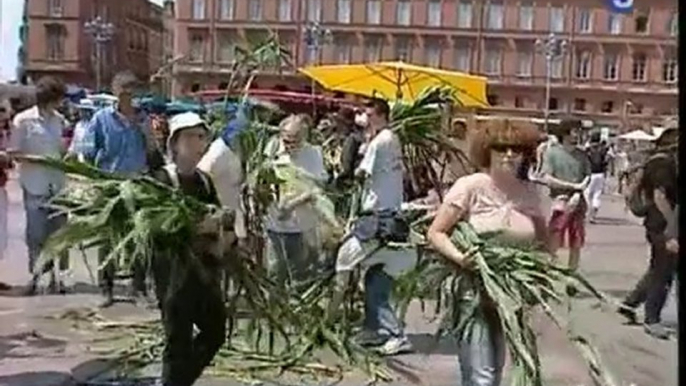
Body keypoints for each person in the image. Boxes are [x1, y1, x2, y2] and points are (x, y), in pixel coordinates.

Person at [427, 119, 549, 386]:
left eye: (515, 149)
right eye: (500, 148)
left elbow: (544, 243)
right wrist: (461, 258)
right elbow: (436, 232)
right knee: (481, 377)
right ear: (487, 150)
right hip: (472, 292)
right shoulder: (470, 186)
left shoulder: (529, 192)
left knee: (492, 373)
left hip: (510, 296)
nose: (508, 155)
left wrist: (541, 276)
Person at [151, 112, 228, 386]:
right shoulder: (162, 180)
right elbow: (154, 228)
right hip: (173, 274)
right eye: (192, 137)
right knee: (178, 341)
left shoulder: (204, 181)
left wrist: (222, 233)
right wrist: (196, 228)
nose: (199, 142)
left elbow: (216, 214)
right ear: (175, 143)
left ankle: (175, 382)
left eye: (201, 136)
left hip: (203, 271)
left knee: (216, 331)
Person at [81, 71, 165, 307]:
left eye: (132, 93)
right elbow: (87, 151)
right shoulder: (101, 119)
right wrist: (94, 183)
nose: (128, 98)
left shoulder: (144, 119)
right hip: (110, 185)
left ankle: (137, 288)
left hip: (138, 185)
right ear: (116, 93)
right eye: (124, 93)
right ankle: (106, 288)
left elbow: (152, 153)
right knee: (108, 238)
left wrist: (146, 133)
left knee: (139, 236)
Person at [341, 99, 412, 356]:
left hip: (378, 218)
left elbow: (360, 174)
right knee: (374, 278)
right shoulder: (392, 139)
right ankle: (372, 328)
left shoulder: (380, 141)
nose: (366, 119)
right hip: (390, 213)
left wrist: (356, 153)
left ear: (382, 115)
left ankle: (396, 334)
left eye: (370, 115)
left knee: (344, 262)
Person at [8, 76, 70, 295]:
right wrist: (36, 159)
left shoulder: (59, 121)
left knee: (60, 234)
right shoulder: (23, 121)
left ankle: (58, 279)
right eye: (58, 99)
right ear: (48, 98)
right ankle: (35, 277)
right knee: (36, 234)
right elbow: (13, 152)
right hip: (34, 185)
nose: (60, 103)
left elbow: (62, 149)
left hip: (58, 185)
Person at [618, 127, 678, 340]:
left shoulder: (655, 161)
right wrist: (672, 230)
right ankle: (652, 319)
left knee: (658, 268)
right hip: (661, 225)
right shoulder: (663, 165)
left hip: (656, 223)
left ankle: (630, 303)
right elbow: (660, 196)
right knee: (664, 274)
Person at [264, 114, 328, 285]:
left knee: (300, 277)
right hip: (274, 226)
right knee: (275, 274)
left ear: (304, 137)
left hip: (302, 228)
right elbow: (263, 179)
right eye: (286, 140)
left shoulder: (313, 154)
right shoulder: (272, 149)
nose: (289, 145)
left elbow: (318, 188)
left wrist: (292, 205)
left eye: (295, 141)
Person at [539, 119, 591, 287]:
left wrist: (578, 191)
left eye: (579, 131)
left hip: (578, 203)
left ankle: (571, 278)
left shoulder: (582, 155)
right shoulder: (552, 153)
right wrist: (572, 187)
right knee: (554, 241)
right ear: (566, 133)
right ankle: (548, 275)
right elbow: (547, 178)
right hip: (559, 202)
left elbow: (587, 176)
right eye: (575, 131)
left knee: (576, 242)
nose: (578, 134)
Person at [585, 133, 609, 223]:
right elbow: (606, 161)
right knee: (597, 195)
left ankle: (587, 212)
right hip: (600, 174)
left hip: (590, 173)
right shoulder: (603, 149)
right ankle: (593, 215)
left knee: (587, 194)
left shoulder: (588, 149)